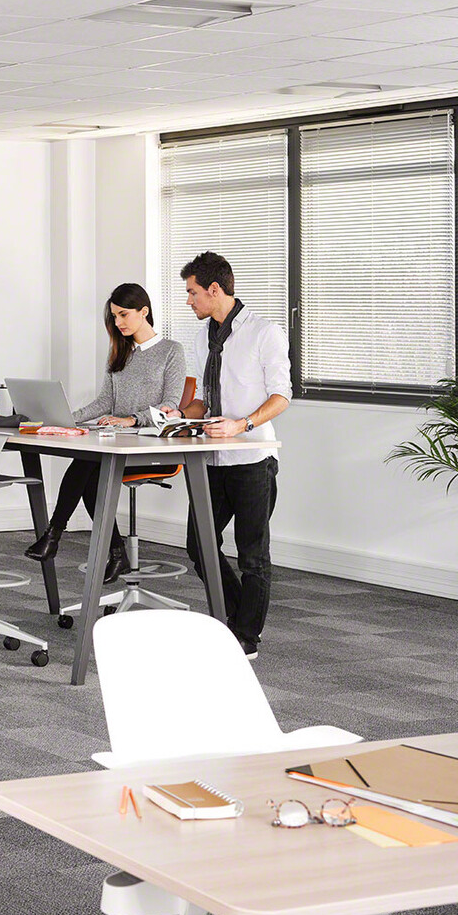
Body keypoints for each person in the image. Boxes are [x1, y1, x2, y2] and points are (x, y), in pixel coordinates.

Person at [166, 251, 290, 660]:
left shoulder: (264, 332)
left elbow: (282, 396)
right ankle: (237, 616)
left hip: (252, 459)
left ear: (214, 289)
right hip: (211, 459)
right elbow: (205, 400)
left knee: (252, 554)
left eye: (192, 293)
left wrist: (242, 424)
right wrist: (180, 414)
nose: (189, 301)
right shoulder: (202, 337)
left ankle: (246, 636)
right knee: (199, 544)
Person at [24, 284, 187, 583]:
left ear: (144, 311)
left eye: (123, 314)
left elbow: (170, 406)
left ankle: (56, 534)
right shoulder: (119, 352)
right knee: (90, 471)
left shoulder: (171, 351)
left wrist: (131, 420)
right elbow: (104, 402)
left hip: (152, 447)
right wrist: (65, 419)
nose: (118, 322)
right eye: (114, 316)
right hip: (116, 443)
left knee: (88, 467)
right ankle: (108, 551)